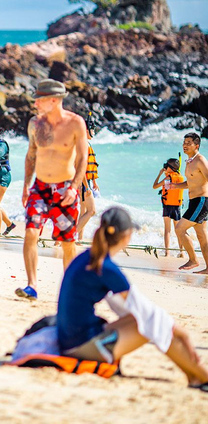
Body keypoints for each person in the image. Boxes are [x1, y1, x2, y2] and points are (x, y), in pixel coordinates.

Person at [56, 207, 208, 392]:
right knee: (153, 322)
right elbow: (146, 311)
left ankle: (193, 376)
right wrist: (181, 333)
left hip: (69, 338)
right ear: (126, 236)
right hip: (80, 346)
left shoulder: (89, 256)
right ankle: (201, 375)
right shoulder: (107, 267)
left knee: (148, 321)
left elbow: (130, 309)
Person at [17, 80, 88, 300]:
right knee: (30, 233)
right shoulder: (35, 124)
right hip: (39, 187)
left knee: (68, 243)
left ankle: (70, 290)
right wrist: (26, 186)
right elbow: (31, 155)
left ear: (54, 100)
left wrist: (74, 188)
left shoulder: (75, 123)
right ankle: (32, 285)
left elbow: (83, 159)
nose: (35, 103)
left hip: (64, 188)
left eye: (39, 99)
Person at [172, 133, 208, 273]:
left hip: (201, 201)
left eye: (188, 143)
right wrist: (176, 186)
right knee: (202, 237)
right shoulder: (189, 162)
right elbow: (190, 183)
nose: (185, 145)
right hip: (194, 201)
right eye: (184, 142)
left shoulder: (200, 160)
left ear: (196, 146)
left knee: (179, 228)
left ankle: (193, 259)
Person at [153, 158, 187, 257]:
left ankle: (167, 252)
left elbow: (155, 186)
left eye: (166, 166)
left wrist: (159, 174)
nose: (164, 168)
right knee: (178, 230)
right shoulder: (180, 177)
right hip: (177, 206)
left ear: (170, 168)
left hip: (167, 206)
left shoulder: (167, 179)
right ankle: (182, 251)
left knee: (167, 229)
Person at [77, 119, 100, 240]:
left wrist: (94, 182)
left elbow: (90, 166)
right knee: (92, 211)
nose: (93, 132)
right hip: (83, 182)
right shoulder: (83, 145)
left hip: (87, 182)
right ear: (86, 131)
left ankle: (79, 239)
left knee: (83, 210)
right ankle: (68, 236)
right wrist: (86, 186)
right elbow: (81, 167)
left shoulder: (86, 143)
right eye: (92, 130)